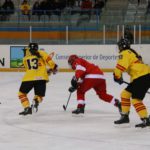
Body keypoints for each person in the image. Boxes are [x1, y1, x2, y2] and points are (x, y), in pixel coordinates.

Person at [113, 38, 150, 128]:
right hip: (141, 77)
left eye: (119, 46)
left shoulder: (124, 53)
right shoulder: (132, 52)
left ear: (122, 46)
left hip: (142, 77)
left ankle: (145, 119)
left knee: (136, 100)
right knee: (124, 95)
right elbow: (136, 70)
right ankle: (125, 117)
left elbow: (120, 67)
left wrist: (117, 76)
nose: (119, 48)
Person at [18, 43, 58, 115]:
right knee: (39, 95)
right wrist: (54, 68)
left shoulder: (25, 57)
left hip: (28, 78)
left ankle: (27, 108)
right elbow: (50, 63)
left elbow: (31, 69)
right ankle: (36, 101)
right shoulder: (42, 53)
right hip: (41, 77)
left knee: (21, 94)